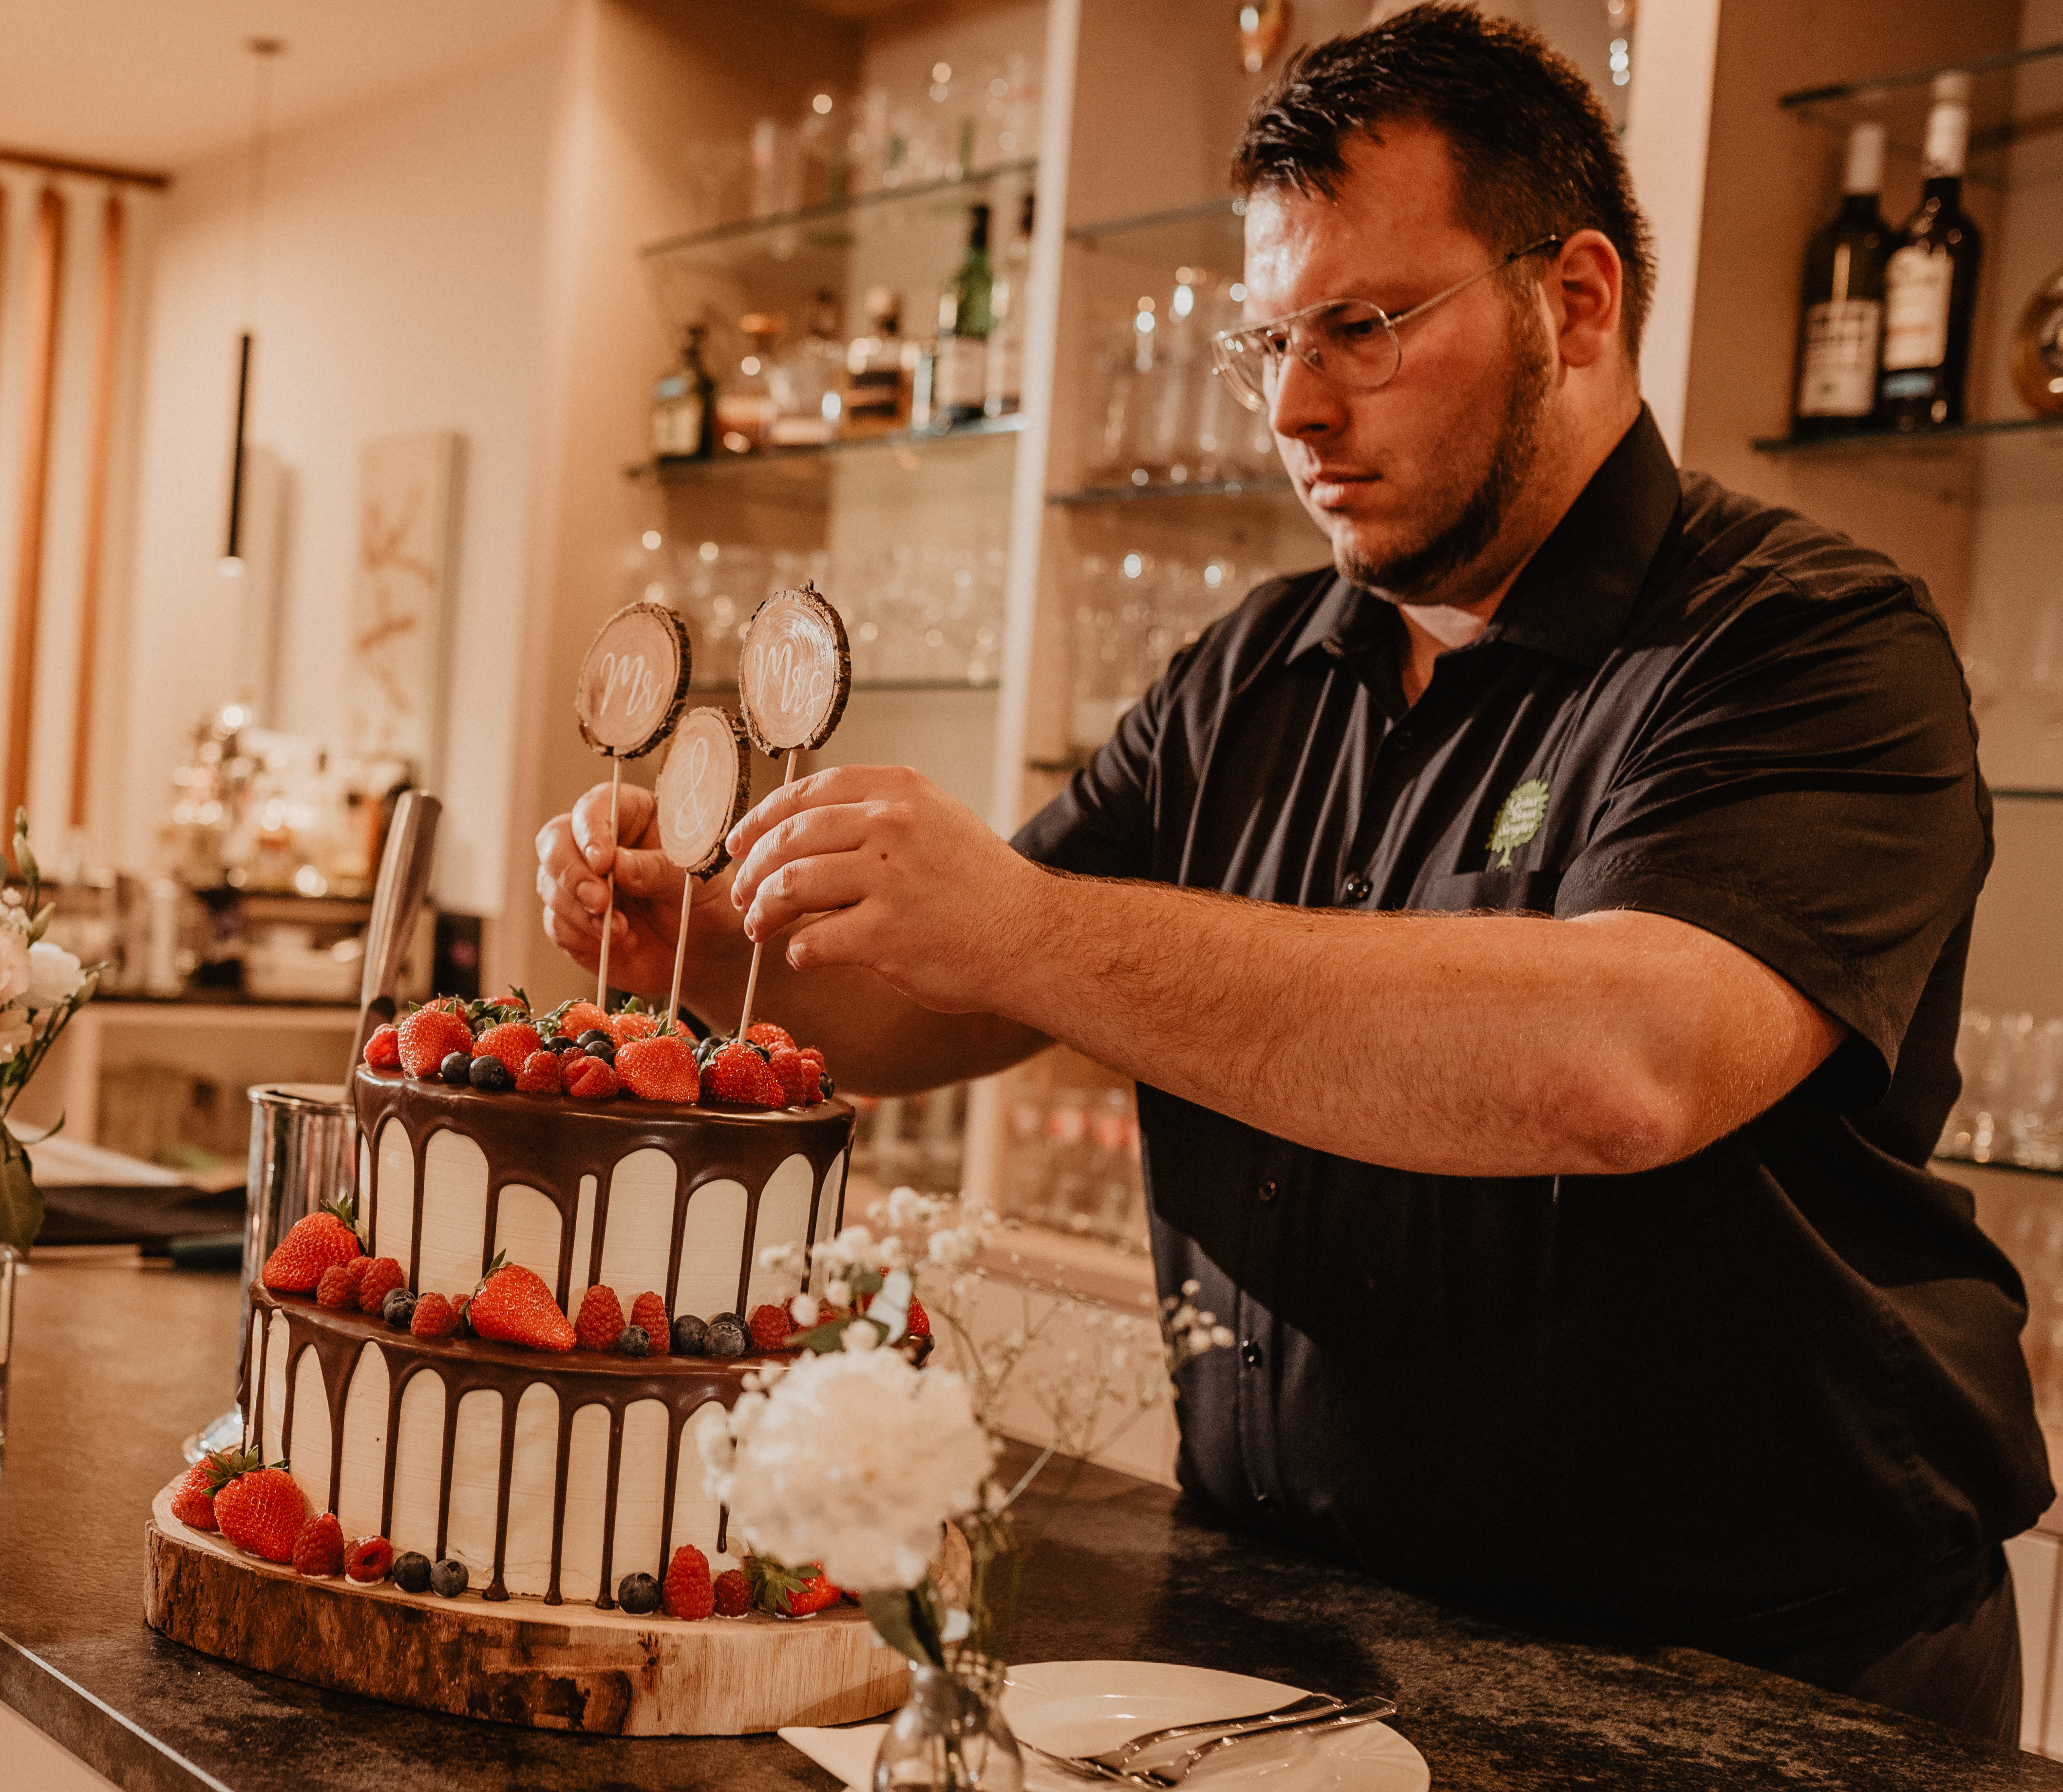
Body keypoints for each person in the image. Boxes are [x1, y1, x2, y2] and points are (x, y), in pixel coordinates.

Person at [535, 3, 2047, 1744]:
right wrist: (706, 942)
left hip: (1746, 1691)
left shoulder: (1805, 639)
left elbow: (1628, 1063)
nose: (1296, 408)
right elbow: (956, 1002)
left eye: (1363, 329)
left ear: (1576, 302)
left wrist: (1024, 922)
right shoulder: (1255, 664)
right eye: (1267, 342)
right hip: (1294, 1633)